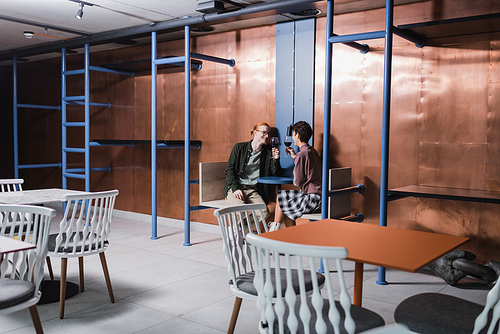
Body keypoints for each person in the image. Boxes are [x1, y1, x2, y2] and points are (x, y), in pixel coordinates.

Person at [223, 122, 282, 223]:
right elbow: (229, 170)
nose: (267, 136)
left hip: (252, 190)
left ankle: (239, 231)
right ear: (255, 132)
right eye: (264, 132)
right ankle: (236, 235)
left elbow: (275, 173)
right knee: (239, 210)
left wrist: (276, 160)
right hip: (235, 187)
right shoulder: (239, 147)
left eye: (268, 133)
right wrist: (235, 188)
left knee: (264, 212)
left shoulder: (268, 151)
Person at [274, 121, 321, 227]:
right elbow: (308, 167)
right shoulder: (312, 151)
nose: (292, 137)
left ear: (298, 135)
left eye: (293, 134)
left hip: (311, 200)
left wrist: (297, 160)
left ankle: (273, 232)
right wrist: (294, 156)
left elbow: (297, 182)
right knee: (285, 206)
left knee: (281, 197)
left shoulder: (302, 154)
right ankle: (291, 239)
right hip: (319, 198)